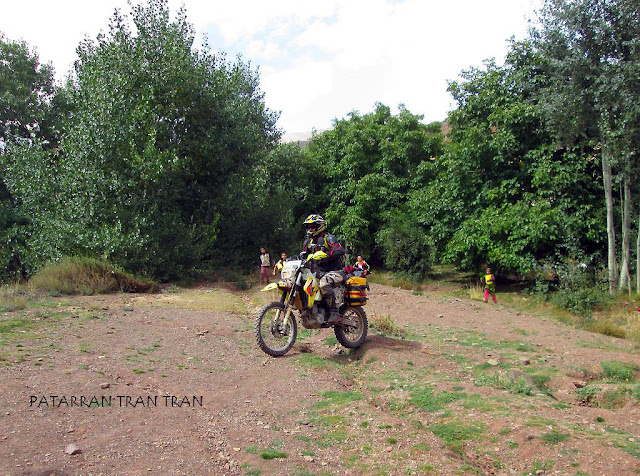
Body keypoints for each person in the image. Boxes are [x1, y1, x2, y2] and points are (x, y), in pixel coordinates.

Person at [301, 214, 346, 323]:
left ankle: (334, 311)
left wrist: (327, 254)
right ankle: (310, 310)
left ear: (319, 226)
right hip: (319, 273)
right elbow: (302, 256)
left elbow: (340, 250)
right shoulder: (308, 242)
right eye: (308, 227)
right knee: (303, 284)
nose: (310, 229)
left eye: (312, 226)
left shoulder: (329, 238)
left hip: (335, 271)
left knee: (323, 284)